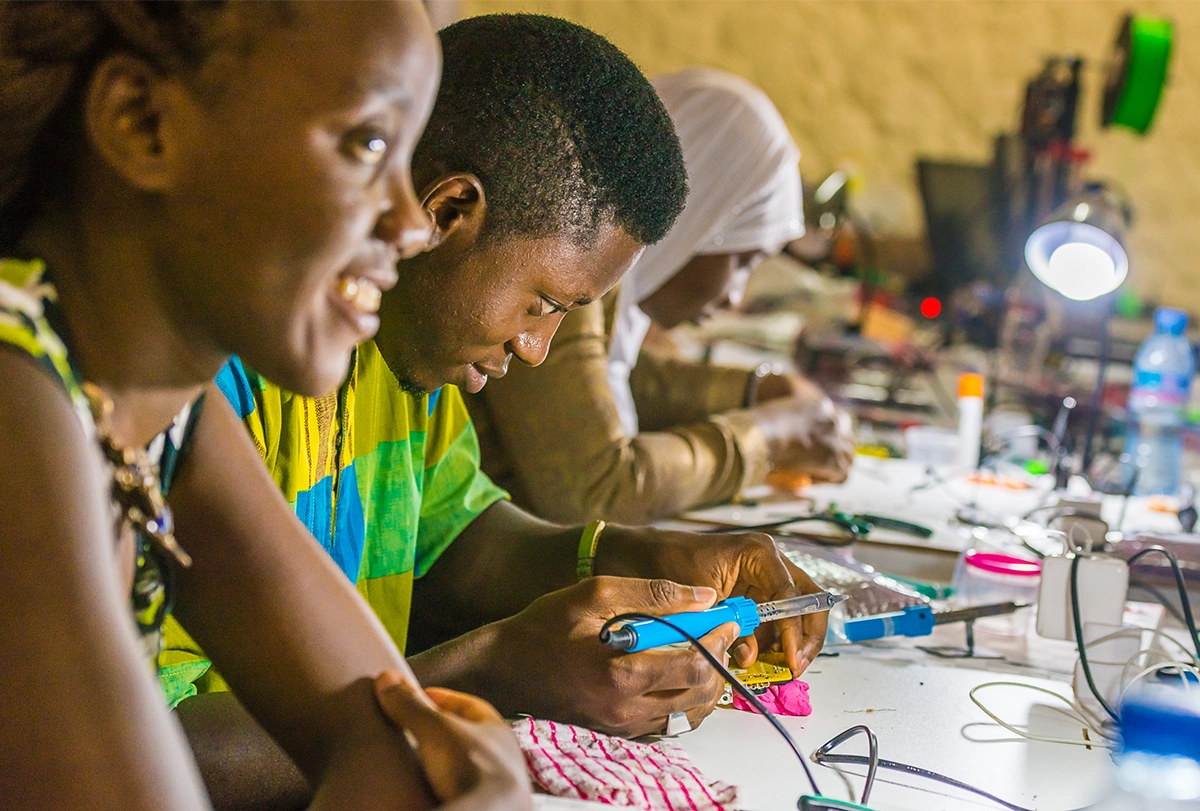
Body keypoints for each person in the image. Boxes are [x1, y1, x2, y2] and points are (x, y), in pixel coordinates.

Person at [163, 15, 832, 808]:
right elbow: (157, 747)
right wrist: (490, 669)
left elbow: (452, 538)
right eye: (545, 301)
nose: (540, 349)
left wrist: (644, 556)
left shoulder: (394, 359)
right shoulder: (198, 378)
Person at [0, 3, 528, 809]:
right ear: (142, 122)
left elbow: (385, 746)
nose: (411, 223)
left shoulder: (166, 411)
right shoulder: (16, 400)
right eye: (368, 144)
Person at [467, 67, 856, 526]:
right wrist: (768, 438)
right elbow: (595, 491)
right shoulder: (560, 268)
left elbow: (595, 375)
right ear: (696, 216)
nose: (734, 299)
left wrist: (757, 390)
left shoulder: (594, 279)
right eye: (742, 261)